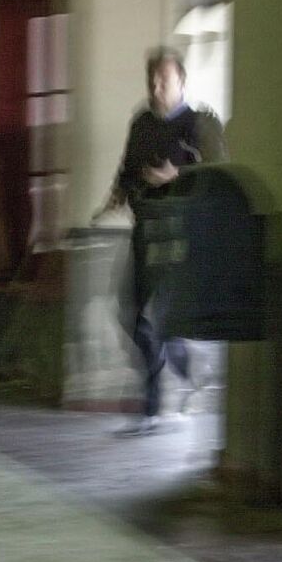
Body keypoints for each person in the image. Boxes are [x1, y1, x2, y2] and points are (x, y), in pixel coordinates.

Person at [94, 47, 228, 439]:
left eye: (163, 81)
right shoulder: (141, 122)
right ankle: (183, 370)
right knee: (130, 314)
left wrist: (177, 175)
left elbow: (219, 174)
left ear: (181, 81)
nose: (155, 88)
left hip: (181, 236)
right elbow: (127, 168)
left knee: (159, 320)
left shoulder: (198, 124)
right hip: (145, 230)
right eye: (151, 80)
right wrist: (113, 200)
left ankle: (155, 404)